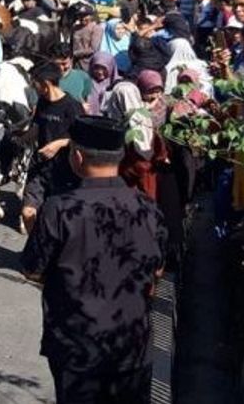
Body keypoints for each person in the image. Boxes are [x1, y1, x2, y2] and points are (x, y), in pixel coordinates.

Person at [21, 116, 166, 404]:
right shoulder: (147, 209)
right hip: (131, 345)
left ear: (76, 156)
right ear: (121, 155)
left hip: (76, 349)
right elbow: (158, 270)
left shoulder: (58, 210)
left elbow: (32, 270)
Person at [21, 63, 84, 233]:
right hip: (40, 168)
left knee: (60, 221)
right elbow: (37, 128)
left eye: (35, 83)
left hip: (65, 171)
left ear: (46, 84)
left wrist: (59, 143)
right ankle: (35, 249)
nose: (32, 87)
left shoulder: (72, 106)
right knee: (28, 213)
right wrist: (18, 138)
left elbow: (82, 139)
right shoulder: (42, 102)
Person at [86, 52, 121, 116]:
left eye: (104, 68)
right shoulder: (85, 83)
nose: (100, 72)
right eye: (96, 67)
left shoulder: (119, 86)